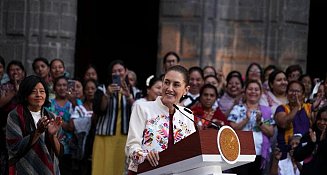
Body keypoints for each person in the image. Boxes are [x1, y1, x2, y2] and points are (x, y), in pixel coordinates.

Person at [125, 65, 197, 174]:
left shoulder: (188, 115)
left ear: (186, 90)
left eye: (176, 84)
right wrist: (145, 156)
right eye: (166, 82)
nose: (169, 88)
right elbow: (131, 146)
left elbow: (191, 150)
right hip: (144, 171)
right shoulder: (143, 108)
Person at [6, 75, 63, 174]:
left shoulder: (51, 116)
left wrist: (52, 136)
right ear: (25, 94)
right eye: (33, 92)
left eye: (42, 91)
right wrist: (38, 132)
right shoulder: (15, 115)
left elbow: (59, 153)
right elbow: (14, 148)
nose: (38, 95)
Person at [92, 59, 134, 175]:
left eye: (120, 70)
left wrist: (129, 96)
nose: (117, 73)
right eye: (114, 71)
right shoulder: (102, 89)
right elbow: (98, 109)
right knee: (103, 168)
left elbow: (138, 110)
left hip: (125, 138)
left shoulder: (135, 91)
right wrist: (107, 95)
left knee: (121, 168)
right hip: (104, 137)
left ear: (126, 71)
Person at [227, 80, 274, 175]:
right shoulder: (238, 109)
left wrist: (260, 122)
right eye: (250, 89)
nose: (253, 92)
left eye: (256, 90)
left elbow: (271, 132)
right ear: (245, 92)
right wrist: (246, 119)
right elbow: (231, 129)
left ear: (260, 93)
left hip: (259, 153)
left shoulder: (266, 111)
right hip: (240, 154)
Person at [293, 105, 327, 175]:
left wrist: (322, 142)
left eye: (325, 120)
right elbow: (297, 155)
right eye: (319, 119)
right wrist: (312, 143)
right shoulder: (310, 134)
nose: (322, 122)